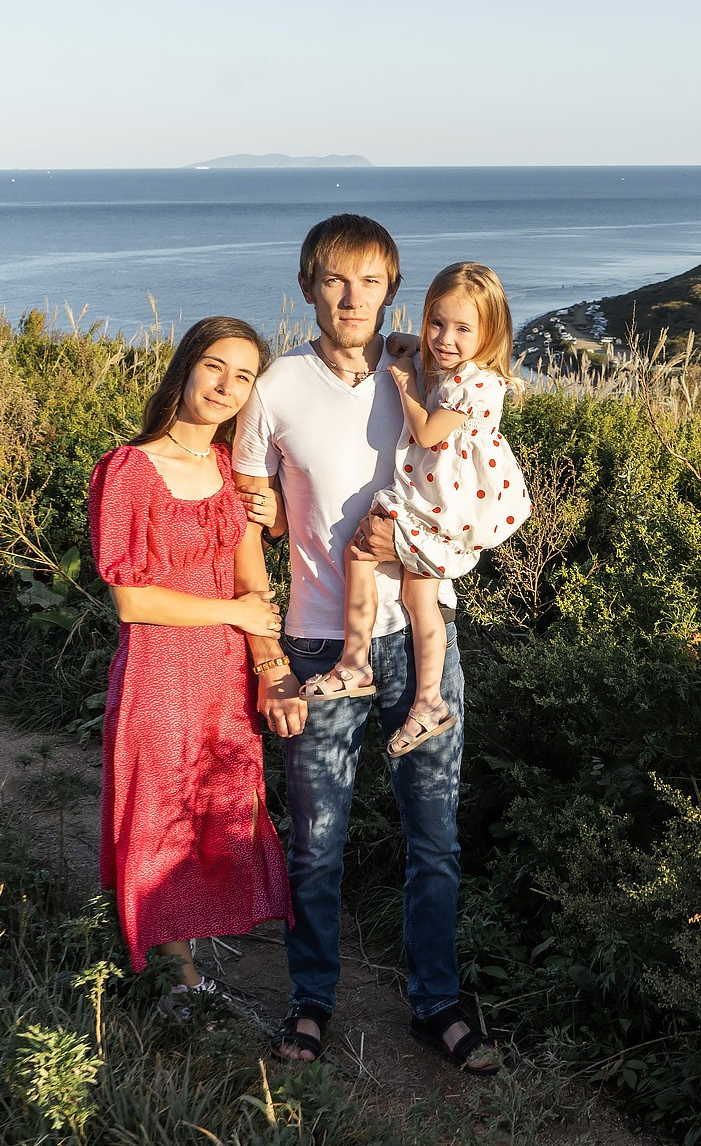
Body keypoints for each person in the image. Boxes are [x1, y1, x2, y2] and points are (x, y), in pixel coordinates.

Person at [234, 215, 502, 1075]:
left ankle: (437, 1004)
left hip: (424, 644)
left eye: (373, 281)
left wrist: (418, 552)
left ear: (393, 289)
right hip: (319, 646)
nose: (354, 297)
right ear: (309, 286)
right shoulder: (273, 388)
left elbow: (473, 497)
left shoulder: (426, 372)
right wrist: (267, 652)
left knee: (435, 839)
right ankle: (310, 1003)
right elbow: (247, 518)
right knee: (317, 840)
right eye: (336, 280)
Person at [86, 315, 289, 1023]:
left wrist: (270, 664)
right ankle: (173, 971)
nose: (226, 386)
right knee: (160, 807)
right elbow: (131, 598)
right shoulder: (129, 467)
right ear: (185, 367)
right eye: (214, 367)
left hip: (224, 674)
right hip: (160, 669)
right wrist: (234, 617)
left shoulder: (234, 471)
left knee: (218, 800)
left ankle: (190, 949)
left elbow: (253, 581)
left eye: (243, 378)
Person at [297, 262, 529, 760]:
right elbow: (411, 343)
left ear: (490, 333)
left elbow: (428, 434)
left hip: (442, 507)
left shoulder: (479, 383)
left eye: (463, 329)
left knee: (409, 590)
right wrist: (407, 342)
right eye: (436, 323)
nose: (445, 338)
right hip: (426, 496)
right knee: (378, 567)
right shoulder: (449, 366)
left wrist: (403, 380)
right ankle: (375, 674)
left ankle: (414, 693)